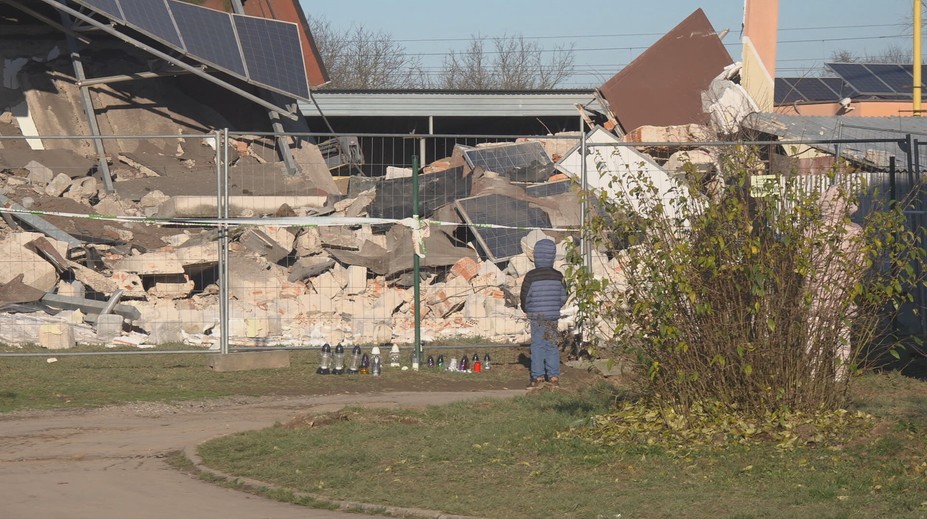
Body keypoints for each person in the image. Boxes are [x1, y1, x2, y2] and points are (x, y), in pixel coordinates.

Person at [520, 238, 567, 388]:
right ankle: (554, 377)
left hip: (537, 317)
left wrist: (527, 309)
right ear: (553, 256)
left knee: (538, 345)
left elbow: (525, 296)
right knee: (551, 345)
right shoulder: (558, 276)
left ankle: (537, 377)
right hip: (552, 316)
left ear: (536, 256)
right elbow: (563, 296)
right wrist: (555, 307)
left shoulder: (531, 276)